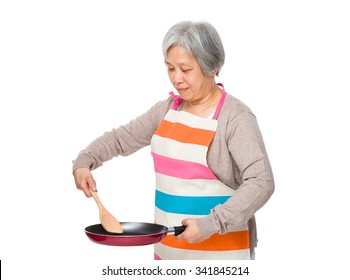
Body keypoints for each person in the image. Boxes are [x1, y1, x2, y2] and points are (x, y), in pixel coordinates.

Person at [72, 21, 274, 260]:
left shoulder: (235, 117)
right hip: (168, 252)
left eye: (185, 70)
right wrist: (84, 162)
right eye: (170, 68)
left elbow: (261, 182)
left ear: (213, 67)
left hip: (222, 256)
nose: (176, 79)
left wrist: (211, 223)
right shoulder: (167, 110)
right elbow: (120, 139)